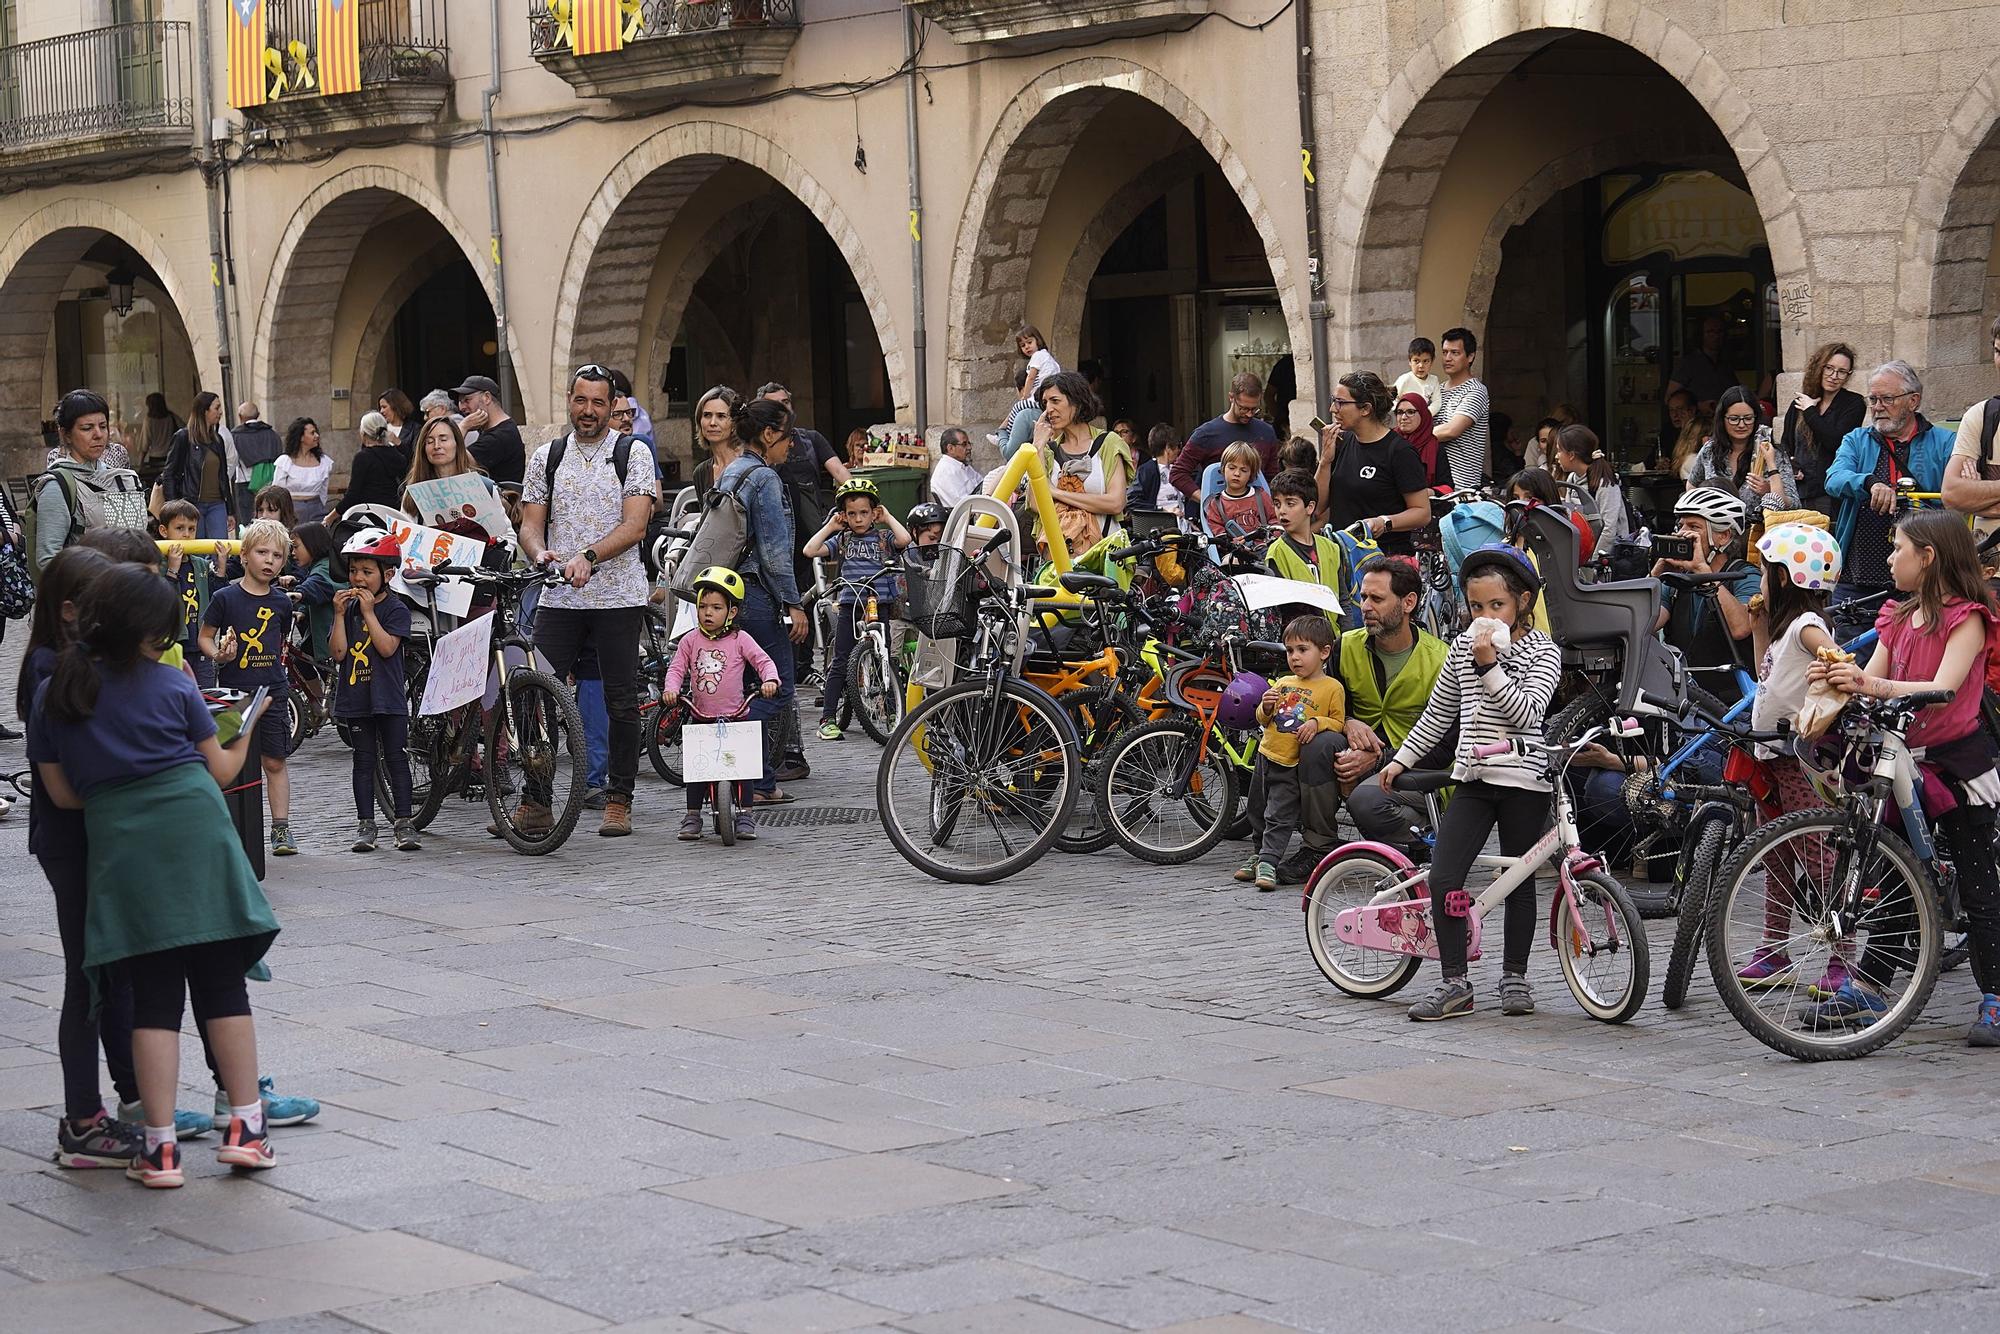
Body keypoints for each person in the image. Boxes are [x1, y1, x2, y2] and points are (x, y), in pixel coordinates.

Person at [31, 563, 281, 1188]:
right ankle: (246, 1131)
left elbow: (62, 796)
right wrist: (247, 728)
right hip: (196, 835)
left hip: (122, 850)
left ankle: (160, 1150)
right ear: (150, 632)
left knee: (152, 1001)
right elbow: (221, 771)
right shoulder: (174, 686)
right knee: (224, 988)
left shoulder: (56, 692)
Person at [1807, 513, 2000, 1043]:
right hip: (1902, 759)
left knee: (1978, 879)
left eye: (1898, 549)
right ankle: (1869, 986)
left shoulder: (1969, 619)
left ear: (1929, 557)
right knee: (1896, 875)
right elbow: (1877, 678)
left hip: (1958, 765)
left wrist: (1868, 679)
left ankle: (1996, 997)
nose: (1890, 559)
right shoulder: (1897, 615)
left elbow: (1940, 687)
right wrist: (1839, 677)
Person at [1379, 544, 1562, 1021]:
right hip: (1474, 777)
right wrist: (1401, 761)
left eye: (1496, 606)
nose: (1485, 616)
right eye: (1476, 607)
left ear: (1523, 602)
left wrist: (1490, 667)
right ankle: (1455, 981)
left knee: (1518, 882)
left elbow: (1525, 712)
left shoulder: (1543, 650)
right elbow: (1440, 714)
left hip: (1525, 779)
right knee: (1444, 875)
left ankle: (1515, 976)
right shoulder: (1462, 647)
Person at [17, 548, 147, 1168]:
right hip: (76, 843)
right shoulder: (51, 674)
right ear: (72, 613)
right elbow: (64, 788)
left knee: (112, 973)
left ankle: (127, 1099)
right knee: (89, 979)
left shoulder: (77, 663)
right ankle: (81, 1121)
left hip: (98, 840)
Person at [520, 366, 658, 837]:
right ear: (569, 400)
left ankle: (619, 798)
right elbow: (531, 524)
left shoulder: (632, 452)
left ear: (612, 405)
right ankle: (536, 798)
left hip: (618, 596)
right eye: (581, 401)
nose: (589, 411)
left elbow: (636, 524)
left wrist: (589, 556)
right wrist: (540, 552)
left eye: (599, 403)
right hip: (558, 597)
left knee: (620, 699)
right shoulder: (547, 456)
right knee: (534, 693)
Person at [1730, 522, 1846, 994]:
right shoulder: (1782, 631)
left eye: (1763, 574)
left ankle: (1842, 960)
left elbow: (1831, 652)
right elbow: (1766, 679)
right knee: (1775, 853)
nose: (1758, 584)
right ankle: (1773, 948)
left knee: (1816, 854)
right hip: (1771, 757)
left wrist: (1835, 661)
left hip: (1799, 759)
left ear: (1782, 579)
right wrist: (1759, 629)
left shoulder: (1805, 626)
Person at [1287, 555, 1450, 882]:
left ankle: (1419, 837)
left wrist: (1378, 759)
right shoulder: (1345, 646)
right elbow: (1314, 704)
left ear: (1408, 603)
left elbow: (1447, 747)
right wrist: (1346, 720)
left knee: (1367, 801)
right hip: (1358, 757)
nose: (1365, 606)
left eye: (1376, 598)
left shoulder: (1442, 658)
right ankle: (1318, 845)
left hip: (1423, 771)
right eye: (1362, 597)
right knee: (1319, 740)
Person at [716, 395, 809, 804]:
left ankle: (759, 783)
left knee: (746, 685)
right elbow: (773, 553)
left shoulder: (731, 471)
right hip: (756, 595)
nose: (790, 445)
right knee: (779, 688)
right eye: (787, 436)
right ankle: (727, 751)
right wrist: (794, 603)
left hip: (725, 593)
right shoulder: (765, 479)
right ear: (768, 434)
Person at [1826, 361, 1954, 643]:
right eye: (1873, 399)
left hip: (1923, 579)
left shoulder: (1945, 443)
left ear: (1913, 400)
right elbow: (1834, 478)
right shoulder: (1857, 439)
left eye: (1887, 399)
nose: (1877, 407)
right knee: (1848, 664)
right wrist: (1869, 482)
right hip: (1858, 578)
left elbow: (1956, 495)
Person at [200, 519, 297, 856]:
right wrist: (219, 654)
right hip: (233, 693)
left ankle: (281, 829)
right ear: (244, 556)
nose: (269, 561)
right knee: (230, 763)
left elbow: (280, 636)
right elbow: (204, 637)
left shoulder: (282, 603)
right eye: (262, 552)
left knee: (274, 761)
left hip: (272, 689)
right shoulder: (225, 597)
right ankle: (227, 826)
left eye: (277, 556)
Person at [663, 566, 781, 843]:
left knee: (742, 769)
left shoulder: (741, 639)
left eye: (716, 607)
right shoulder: (690, 640)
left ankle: (745, 814)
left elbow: (763, 661)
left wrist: (770, 680)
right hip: (701, 715)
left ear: (732, 612)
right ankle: (693, 814)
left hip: (737, 715)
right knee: (697, 769)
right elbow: (676, 669)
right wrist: (671, 690)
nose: (707, 612)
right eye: (703, 606)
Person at [1240, 614, 1346, 891]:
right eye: (1290, 651)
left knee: (1279, 813)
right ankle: (1258, 852)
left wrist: (1316, 722)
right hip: (1266, 755)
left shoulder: (1332, 688)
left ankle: (1270, 861)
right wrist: (1264, 705)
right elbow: (1263, 720)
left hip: (1291, 763)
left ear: (1324, 652)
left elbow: (1338, 722)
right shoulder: (1284, 682)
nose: (1295, 658)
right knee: (1257, 808)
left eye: (1302, 650)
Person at [331, 531, 419, 854]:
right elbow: (338, 653)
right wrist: (340, 615)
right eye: (354, 571)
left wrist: (368, 613)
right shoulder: (348, 609)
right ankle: (365, 823)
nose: (358, 578)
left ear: (388, 575)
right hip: (357, 697)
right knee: (363, 760)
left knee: (396, 758)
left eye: (367, 572)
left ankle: (404, 821)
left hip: (389, 698)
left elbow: (385, 648)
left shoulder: (396, 610)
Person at [804, 479, 911, 741]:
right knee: (841, 660)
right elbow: (810, 550)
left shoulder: (884, 538)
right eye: (852, 514)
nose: (858, 519)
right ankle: (828, 717)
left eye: (865, 512)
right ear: (844, 516)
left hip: (880, 603)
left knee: (884, 655)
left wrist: (887, 517)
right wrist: (831, 525)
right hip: (851, 604)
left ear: (874, 513)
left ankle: (890, 708)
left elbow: (905, 538)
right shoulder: (842, 539)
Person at [1653, 487, 1760, 704]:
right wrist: (1655, 576)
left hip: (1733, 702)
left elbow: (1741, 628)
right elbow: (1648, 622)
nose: (1682, 533)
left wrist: (1703, 570)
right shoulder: (1677, 578)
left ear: (1724, 536)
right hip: (1685, 697)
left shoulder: (1745, 575)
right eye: (1680, 525)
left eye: (1694, 527)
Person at [1315, 371, 1428, 555]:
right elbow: (1318, 507)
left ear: (1365, 409)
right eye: (1333, 400)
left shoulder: (1399, 452)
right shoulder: (1343, 442)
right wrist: (1325, 461)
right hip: (1343, 556)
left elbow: (1422, 512)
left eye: (1341, 403)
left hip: (1384, 560)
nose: (1333, 409)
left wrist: (1384, 522)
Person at [1033, 370, 1127, 558]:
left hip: (1104, 556)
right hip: (1058, 561)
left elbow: (1116, 502)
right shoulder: (1048, 450)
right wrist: (1038, 447)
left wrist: (1055, 492)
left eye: (1055, 401)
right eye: (1045, 403)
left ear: (1076, 401)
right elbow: (1037, 504)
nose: (1048, 409)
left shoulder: (1108, 443)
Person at [34, 390, 121, 577]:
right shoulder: (57, 486)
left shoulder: (118, 477)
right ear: (65, 434)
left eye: (103, 426)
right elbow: (48, 560)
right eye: (87, 428)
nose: (98, 434)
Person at [1688, 385, 1796, 516]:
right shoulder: (1709, 450)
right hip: (1717, 530)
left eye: (1748, 418)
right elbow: (1692, 485)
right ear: (1722, 419)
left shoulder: (1772, 452)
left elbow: (1793, 505)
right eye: (1734, 419)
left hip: (1759, 530)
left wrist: (1769, 490)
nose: (1741, 425)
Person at [1783, 341, 1865, 515]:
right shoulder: (1800, 403)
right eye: (1829, 368)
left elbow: (1835, 441)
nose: (1834, 376)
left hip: (1830, 493)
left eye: (1842, 372)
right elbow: (1785, 444)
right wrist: (1792, 465)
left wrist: (1810, 411)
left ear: (1848, 375)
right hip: (1798, 491)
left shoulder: (1854, 403)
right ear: (1819, 367)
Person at [1170, 372, 1280, 497]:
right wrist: (1206, 501)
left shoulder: (1266, 432)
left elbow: (1273, 478)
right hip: (1217, 512)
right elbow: (1178, 473)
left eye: (1254, 409)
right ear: (1231, 398)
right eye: (1243, 408)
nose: (1249, 414)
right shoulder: (1206, 434)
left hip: (1257, 510)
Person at [1943, 316, 2000, 536]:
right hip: (1988, 565)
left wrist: (1979, 497)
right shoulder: (1982, 415)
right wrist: (1965, 498)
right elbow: (1951, 494)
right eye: (1998, 352)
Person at [157, 500, 217, 687]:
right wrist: (172, 571)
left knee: (206, 696)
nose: (186, 535)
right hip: (175, 645)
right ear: (164, 531)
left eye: (192, 529)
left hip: (200, 644)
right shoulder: (159, 565)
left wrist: (221, 570)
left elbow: (216, 596)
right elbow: (161, 600)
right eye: (180, 528)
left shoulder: (201, 564)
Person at [161, 392, 233, 540]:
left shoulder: (218, 440)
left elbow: (223, 476)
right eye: (216, 407)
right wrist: (173, 507)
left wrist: (230, 510)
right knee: (196, 552)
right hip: (191, 504)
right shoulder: (183, 437)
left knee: (220, 550)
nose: (220, 412)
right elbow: (169, 474)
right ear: (204, 410)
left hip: (217, 505)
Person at [1431, 327, 1490, 493]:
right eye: (1444, 352)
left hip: (1462, 486)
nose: (1447, 358)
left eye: (1455, 353)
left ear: (1470, 357)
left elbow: (1451, 430)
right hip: (1436, 482)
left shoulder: (1476, 390)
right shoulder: (1438, 389)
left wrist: (1415, 438)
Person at [1553, 424, 1629, 546]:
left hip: (1608, 555)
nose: (1556, 456)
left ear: (1571, 455)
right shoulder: (1572, 478)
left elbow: (1609, 530)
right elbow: (1571, 519)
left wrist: (1593, 560)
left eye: (1559, 450)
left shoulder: (1605, 483)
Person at [452, 374, 524, 486]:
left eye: (467, 400)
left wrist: (463, 427)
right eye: (460, 402)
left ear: (487, 398)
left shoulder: (500, 436)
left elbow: (454, 461)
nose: (462, 407)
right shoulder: (496, 429)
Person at [285, 522, 338, 663]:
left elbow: (316, 586)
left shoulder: (325, 567)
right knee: (300, 661)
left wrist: (298, 593)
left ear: (313, 544)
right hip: (320, 634)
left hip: (332, 636)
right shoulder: (318, 566)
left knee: (329, 676)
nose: (292, 553)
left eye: (296, 547)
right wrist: (302, 610)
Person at [225, 403, 284, 525]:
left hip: (245, 483)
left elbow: (231, 460)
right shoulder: (272, 434)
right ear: (258, 415)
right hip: (269, 483)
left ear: (240, 417)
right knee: (269, 519)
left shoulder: (235, 436)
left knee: (248, 522)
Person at [338, 411, 406, 516]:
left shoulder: (363, 457)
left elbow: (352, 495)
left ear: (363, 433)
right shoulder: (398, 455)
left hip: (369, 516)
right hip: (393, 514)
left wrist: (330, 517)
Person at [1203, 441, 1276, 537]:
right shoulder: (1216, 504)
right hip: (1234, 550)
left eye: (1243, 470)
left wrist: (1274, 537)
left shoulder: (1260, 496)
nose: (1237, 473)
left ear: (1251, 474)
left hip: (1265, 548)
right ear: (1223, 469)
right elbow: (1217, 531)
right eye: (1232, 468)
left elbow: (1275, 520)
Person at [1667, 313, 1737, 409]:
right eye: (1710, 332)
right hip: (1697, 420)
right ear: (1701, 335)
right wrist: (1699, 406)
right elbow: (1669, 397)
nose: (1716, 336)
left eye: (1719, 332)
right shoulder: (1688, 363)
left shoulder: (1725, 364)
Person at [273, 418, 332, 526]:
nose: (317, 436)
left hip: (317, 509)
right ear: (301, 437)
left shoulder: (323, 461)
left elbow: (323, 491)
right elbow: (277, 490)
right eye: (312, 433)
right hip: (292, 510)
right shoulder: (285, 461)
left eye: (316, 432)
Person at [691, 385, 744, 497]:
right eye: (707, 415)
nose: (712, 423)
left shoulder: (748, 464)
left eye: (721, 416)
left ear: (734, 423)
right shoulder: (701, 473)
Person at [1012, 323, 1060, 426]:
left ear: (1037, 340)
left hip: (1039, 398)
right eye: (1023, 345)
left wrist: (1025, 396)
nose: (1027, 347)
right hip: (1047, 395)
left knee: (1017, 407)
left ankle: (1003, 433)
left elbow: (1031, 377)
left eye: (1029, 342)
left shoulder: (1037, 356)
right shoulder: (1046, 356)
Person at [1393, 392, 1442, 485]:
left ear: (1423, 414)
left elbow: (1447, 486)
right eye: (1399, 412)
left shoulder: (1435, 447)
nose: (1403, 417)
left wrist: (1421, 493)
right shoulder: (1389, 442)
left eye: (1410, 412)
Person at [930, 427, 983, 510]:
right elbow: (963, 505)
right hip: (967, 518)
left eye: (969, 443)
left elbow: (983, 483)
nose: (969, 447)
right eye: (964, 444)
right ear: (950, 448)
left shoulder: (962, 465)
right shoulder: (945, 471)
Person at [1393, 337, 1442, 413]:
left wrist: (1424, 415)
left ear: (1432, 361)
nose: (1421, 366)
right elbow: (1392, 401)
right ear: (1410, 361)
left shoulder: (1434, 380)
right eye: (1416, 361)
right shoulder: (1404, 379)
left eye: (1425, 361)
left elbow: (1437, 402)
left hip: (1425, 419)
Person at [139, 391, 181, 471]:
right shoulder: (171, 417)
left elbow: (145, 443)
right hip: (170, 455)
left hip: (155, 458)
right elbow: (183, 428)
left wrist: (141, 462)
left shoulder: (149, 420)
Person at [378, 388, 420, 453]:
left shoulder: (414, 429)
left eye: (384, 407)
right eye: (380, 408)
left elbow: (416, 456)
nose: (381, 411)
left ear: (396, 406)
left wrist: (398, 442)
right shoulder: (379, 428)